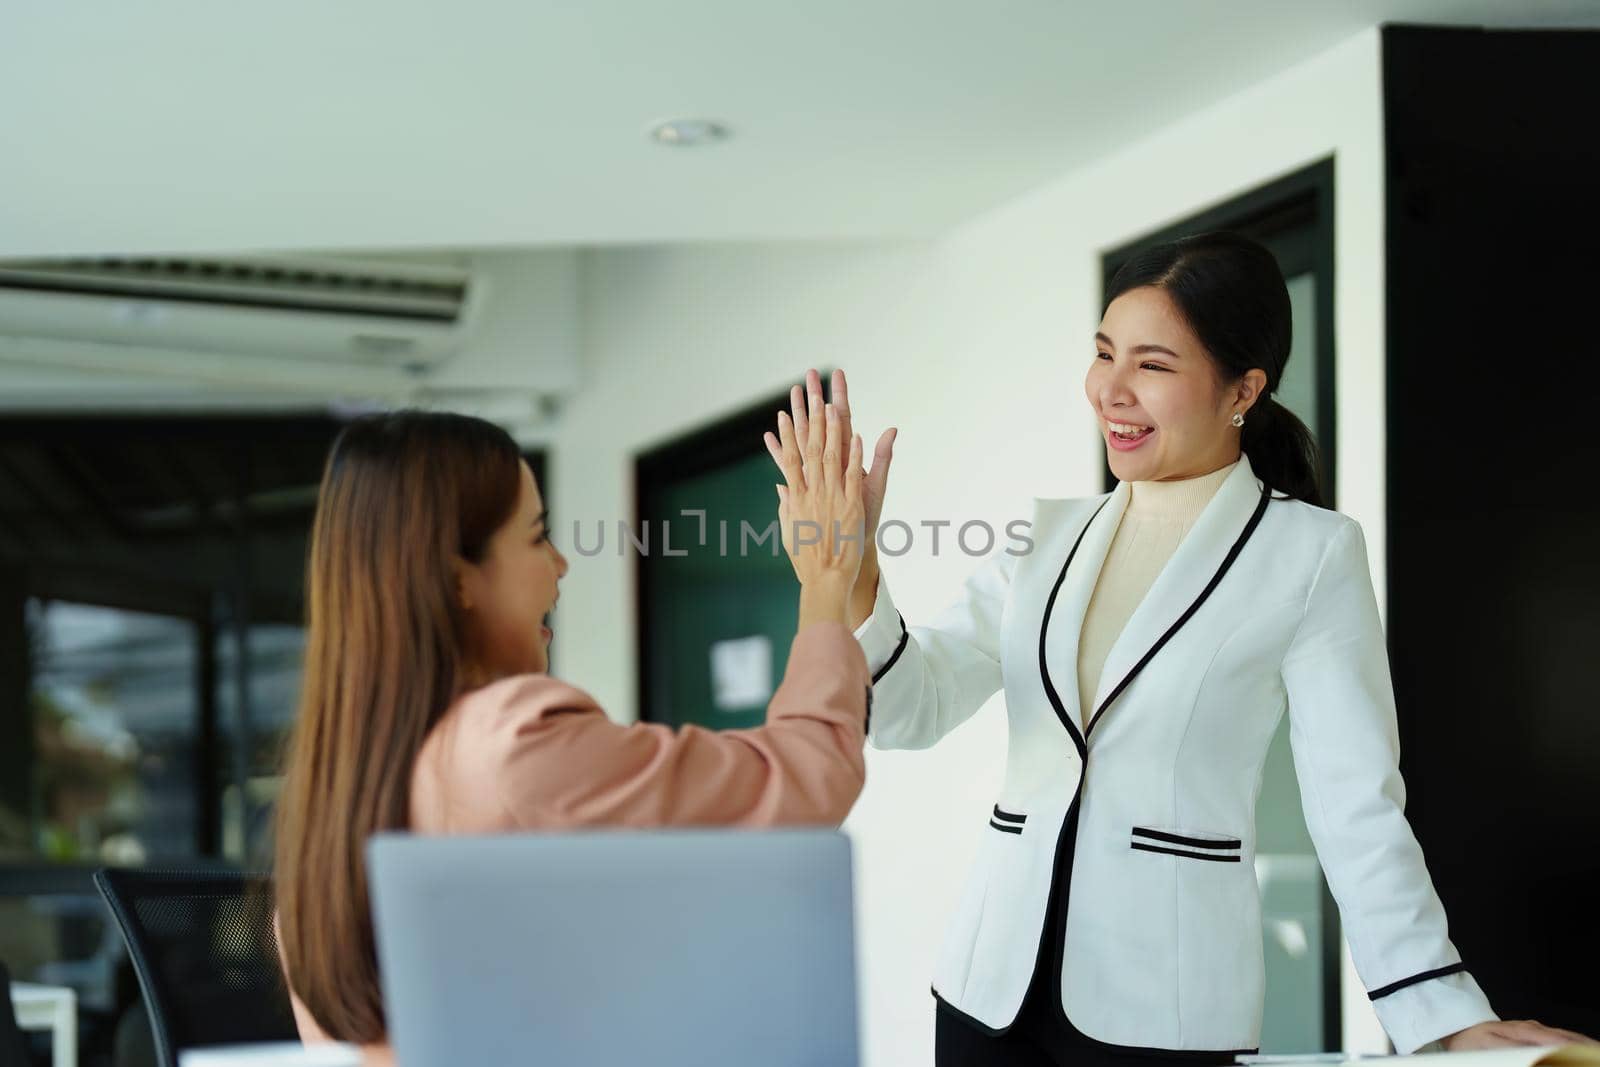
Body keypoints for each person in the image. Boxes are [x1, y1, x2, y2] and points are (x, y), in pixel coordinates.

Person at [768, 233, 1595, 1065]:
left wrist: (1439, 1011)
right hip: (989, 990)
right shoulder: (1041, 541)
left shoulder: (1308, 554)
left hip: (1163, 1005)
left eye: (1152, 365)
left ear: (1244, 388)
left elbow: (1355, 806)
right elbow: (912, 709)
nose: (1111, 391)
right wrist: (856, 570)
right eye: (1103, 353)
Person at [275, 405, 872, 1065]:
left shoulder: (330, 793)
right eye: (536, 536)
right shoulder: (512, 744)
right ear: (455, 578)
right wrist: (826, 584)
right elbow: (806, 778)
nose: (561, 565)